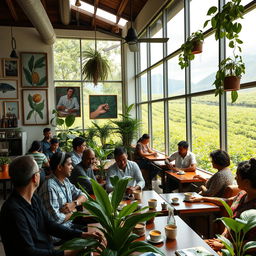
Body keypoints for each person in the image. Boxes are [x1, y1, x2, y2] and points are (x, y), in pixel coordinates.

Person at [0, 155, 102, 256]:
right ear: (35, 178)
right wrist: (70, 253)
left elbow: (50, 225)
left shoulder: (33, 199)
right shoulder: (13, 211)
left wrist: (83, 235)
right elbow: (29, 252)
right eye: (39, 171)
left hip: (48, 249)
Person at [190, 158, 256, 253]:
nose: (235, 178)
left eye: (237, 176)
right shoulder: (242, 194)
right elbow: (226, 201)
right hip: (225, 244)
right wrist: (203, 198)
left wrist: (223, 246)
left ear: (246, 182)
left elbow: (253, 244)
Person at [39, 152, 87, 229]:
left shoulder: (65, 181)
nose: (72, 167)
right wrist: (74, 211)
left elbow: (84, 195)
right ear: (59, 167)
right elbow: (56, 220)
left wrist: (74, 203)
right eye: (69, 164)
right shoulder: (50, 187)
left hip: (69, 226)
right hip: (59, 236)